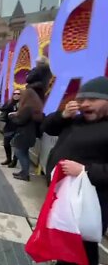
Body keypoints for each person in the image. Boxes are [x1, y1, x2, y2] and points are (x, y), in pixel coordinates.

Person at [42, 76, 108, 265]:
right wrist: (62, 115)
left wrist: (84, 171)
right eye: (81, 100)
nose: (85, 104)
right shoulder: (76, 120)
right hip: (65, 195)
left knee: (82, 246)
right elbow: (47, 128)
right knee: (67, 242)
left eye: (93, 100)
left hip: (92, 200)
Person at [8, 88, 43, 181]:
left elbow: (20, 121)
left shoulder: (28, 107)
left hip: (24, 134)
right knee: (24, 153)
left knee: (19, 153)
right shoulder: (34, 107)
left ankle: (25, 174)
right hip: (29, 134)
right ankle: (24, 172)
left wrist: (12, 117)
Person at [0, 89, 21, 167]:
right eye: (15, 93)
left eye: (18, 94)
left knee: (17, 145)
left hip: (18, 127)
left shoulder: (22, 104)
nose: (16, 95)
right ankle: (8, 159)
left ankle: (14, 161)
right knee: (6, 143)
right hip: (9, 126)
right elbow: (2, 108)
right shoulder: (9, 102)